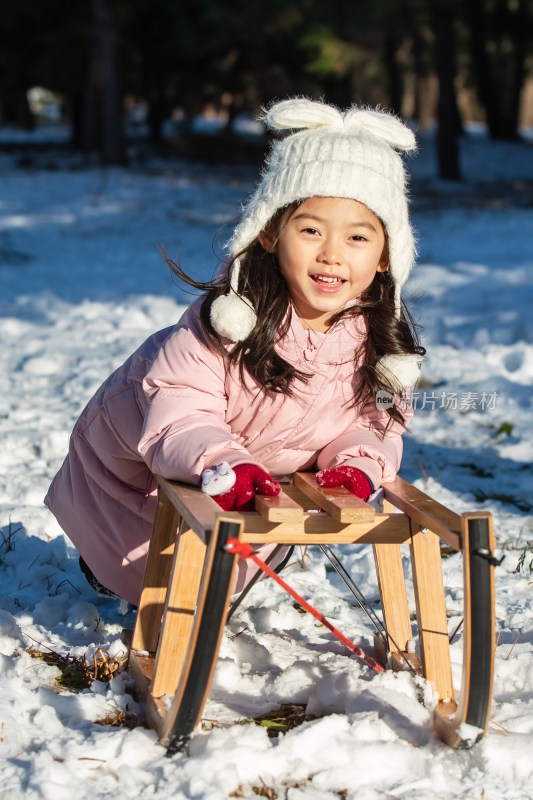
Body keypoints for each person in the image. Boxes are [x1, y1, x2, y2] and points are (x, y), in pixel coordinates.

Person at [44, 98, 424, 606]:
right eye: (311, 230)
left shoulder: (375, 343)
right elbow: (179, 411)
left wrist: (358, 464)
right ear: (269, 232)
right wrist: (223, 462)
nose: (332, 253)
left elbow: (374, 423)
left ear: (384, 256)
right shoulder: (224, 324)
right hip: (135, 481)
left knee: (213, 587)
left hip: (245, 483)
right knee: (144, 577)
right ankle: (104, 568)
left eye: (358, 237)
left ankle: (229, 560)